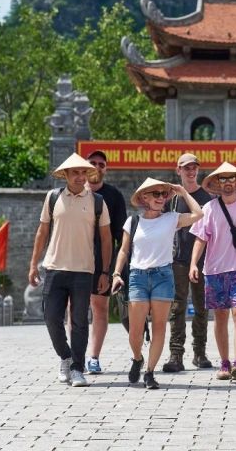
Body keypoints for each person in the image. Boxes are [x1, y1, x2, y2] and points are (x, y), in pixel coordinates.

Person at [28, 153, 112, 388]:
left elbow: (106, 239)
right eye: (75, 172)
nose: (80, 176)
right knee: (51, 317)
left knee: (79, 322)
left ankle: (77, 368)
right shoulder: (53, 198)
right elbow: (42, 232)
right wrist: (33, 264)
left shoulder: (97, 202)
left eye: (83, 172)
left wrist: (105, 272)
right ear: (65, 175)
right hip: (54, 267)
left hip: (84, 270)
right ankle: (66, 356)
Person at [111, 178, 203, 389]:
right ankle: (137, 358)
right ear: (144, 197)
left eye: (164, 194)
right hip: (138, 277)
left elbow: (199, 214)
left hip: (163, 276)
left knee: (160, 326)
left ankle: (150, 372)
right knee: (135, 330)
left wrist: (182, 192)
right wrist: (117, 274)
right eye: (156, 194)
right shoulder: (133, 221)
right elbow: (124, 251)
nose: (161, 198)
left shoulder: (172, 219)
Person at [189, 162, 236, 382]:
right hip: (214, 270)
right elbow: (201, 239)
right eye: (223, 179)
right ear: (217, 184)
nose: (228, 183)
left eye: (231, 179)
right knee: (220, 317)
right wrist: (194, 263)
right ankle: (224, 362)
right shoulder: (209, 209)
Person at [162, 153, 214, 373]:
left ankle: (199, 351)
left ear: (198, 170)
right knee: (177, 307)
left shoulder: (208, 198)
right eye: (186, 168)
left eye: (194, 168)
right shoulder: (171, 199)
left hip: (204, 261)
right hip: (178, 259)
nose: (191, 171)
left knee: (202, 307)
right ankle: (176, 353)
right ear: (178, 171)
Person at [84, 150, 128, 375]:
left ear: (106, 169)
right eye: (93, 163)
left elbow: (122, 234)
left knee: (99, 307)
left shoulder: (113, 196)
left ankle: (93, 356)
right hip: (77, 257)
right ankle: (76, 355)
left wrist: (119, 268)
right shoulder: (73, 193)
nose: (97, 166)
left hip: (103, 259)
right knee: (75, 308)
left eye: (101, 164)